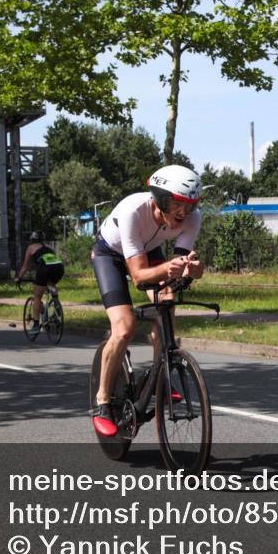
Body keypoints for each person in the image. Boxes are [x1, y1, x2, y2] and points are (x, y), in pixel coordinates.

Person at [90, 164, 205, 436]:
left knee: (167, 300)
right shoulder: (133, 210)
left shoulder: (193, 218)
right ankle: (102, 401)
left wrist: (194, 269)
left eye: (190, 205)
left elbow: (179, 264)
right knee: (124, 327)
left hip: (148, 250)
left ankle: (160, 377)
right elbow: (139, 277)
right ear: (160, 199)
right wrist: (169, 268)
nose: (184, 212)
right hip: (111, 255)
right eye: (177, 204)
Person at [15, 231, 64, 335]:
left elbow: (25, 267)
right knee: (50, 284)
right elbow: (52, 261)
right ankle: (56, 302)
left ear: (32, 240)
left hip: (44, 268)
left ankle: (36, 325)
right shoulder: (49, 247)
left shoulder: (31, 247)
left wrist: (19, 278)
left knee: (37, 297)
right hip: (59, 268)